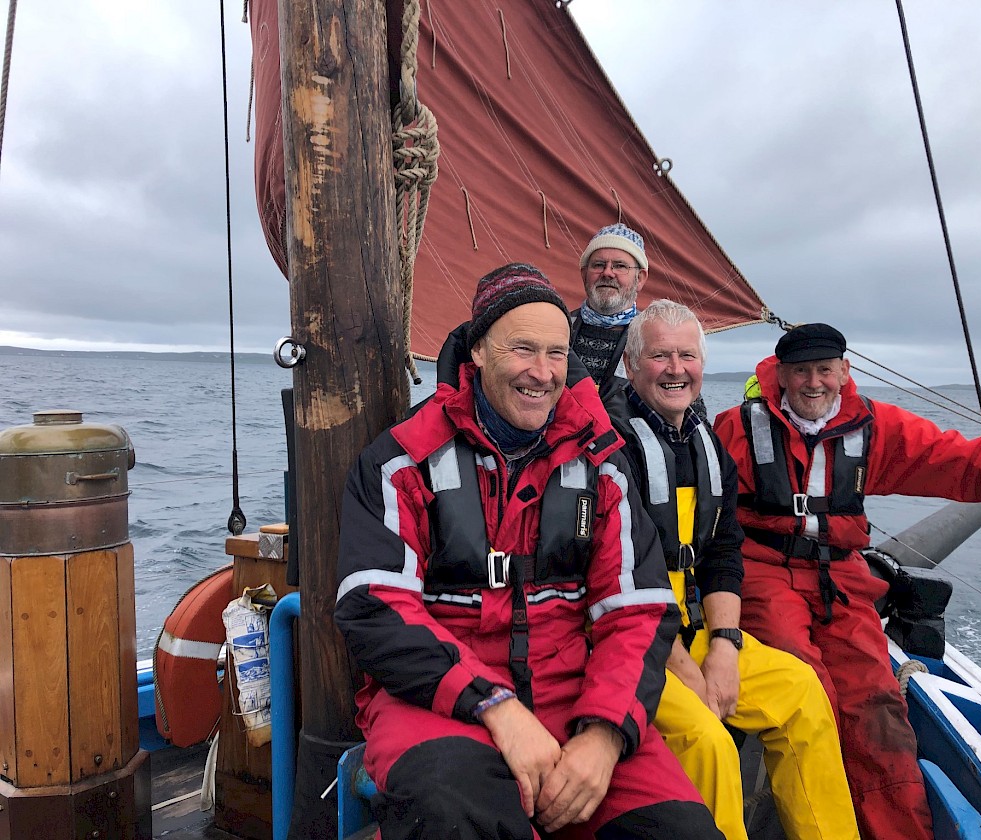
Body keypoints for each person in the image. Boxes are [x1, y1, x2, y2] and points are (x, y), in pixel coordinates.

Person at [335, 264, 724, 840]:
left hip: (575, 697)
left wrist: (605, 735)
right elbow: (376, 605)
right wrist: (494, 705)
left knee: (682, 831)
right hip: (435, 706)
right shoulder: (401, 462)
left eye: (557, 354)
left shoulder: (602, 465)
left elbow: (636, 610)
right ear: (479, 354)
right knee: (451, 811)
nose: (542, 373)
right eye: (522, 349)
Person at [712, 322, 981, 840]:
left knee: (878, 706)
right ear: (780, 374)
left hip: (841, 575)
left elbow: (957, 460)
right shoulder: (734, 428)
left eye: (825, 370)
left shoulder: (871, 427)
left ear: (845, 372)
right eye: (800, 371)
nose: (813, 383)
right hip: (761, 571)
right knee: (808, 690)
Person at [607, 299, 860, 840]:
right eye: (659, 356)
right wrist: (688, 670)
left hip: (692, 629)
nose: (676, 369)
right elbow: (619, 577)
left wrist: (725, 645)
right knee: (707, 740)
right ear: (631, 366)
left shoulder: (708, 447)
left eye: (687, 355)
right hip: (627, 642)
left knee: (801, 693)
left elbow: (722, 551)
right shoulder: (607, 450)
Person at [570, 223, 648, 391]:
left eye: (620, 266)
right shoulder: (557, 328)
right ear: (584, 274)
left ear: (640, 279)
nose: (607, 273)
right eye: (598, 265)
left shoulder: (653, 335)